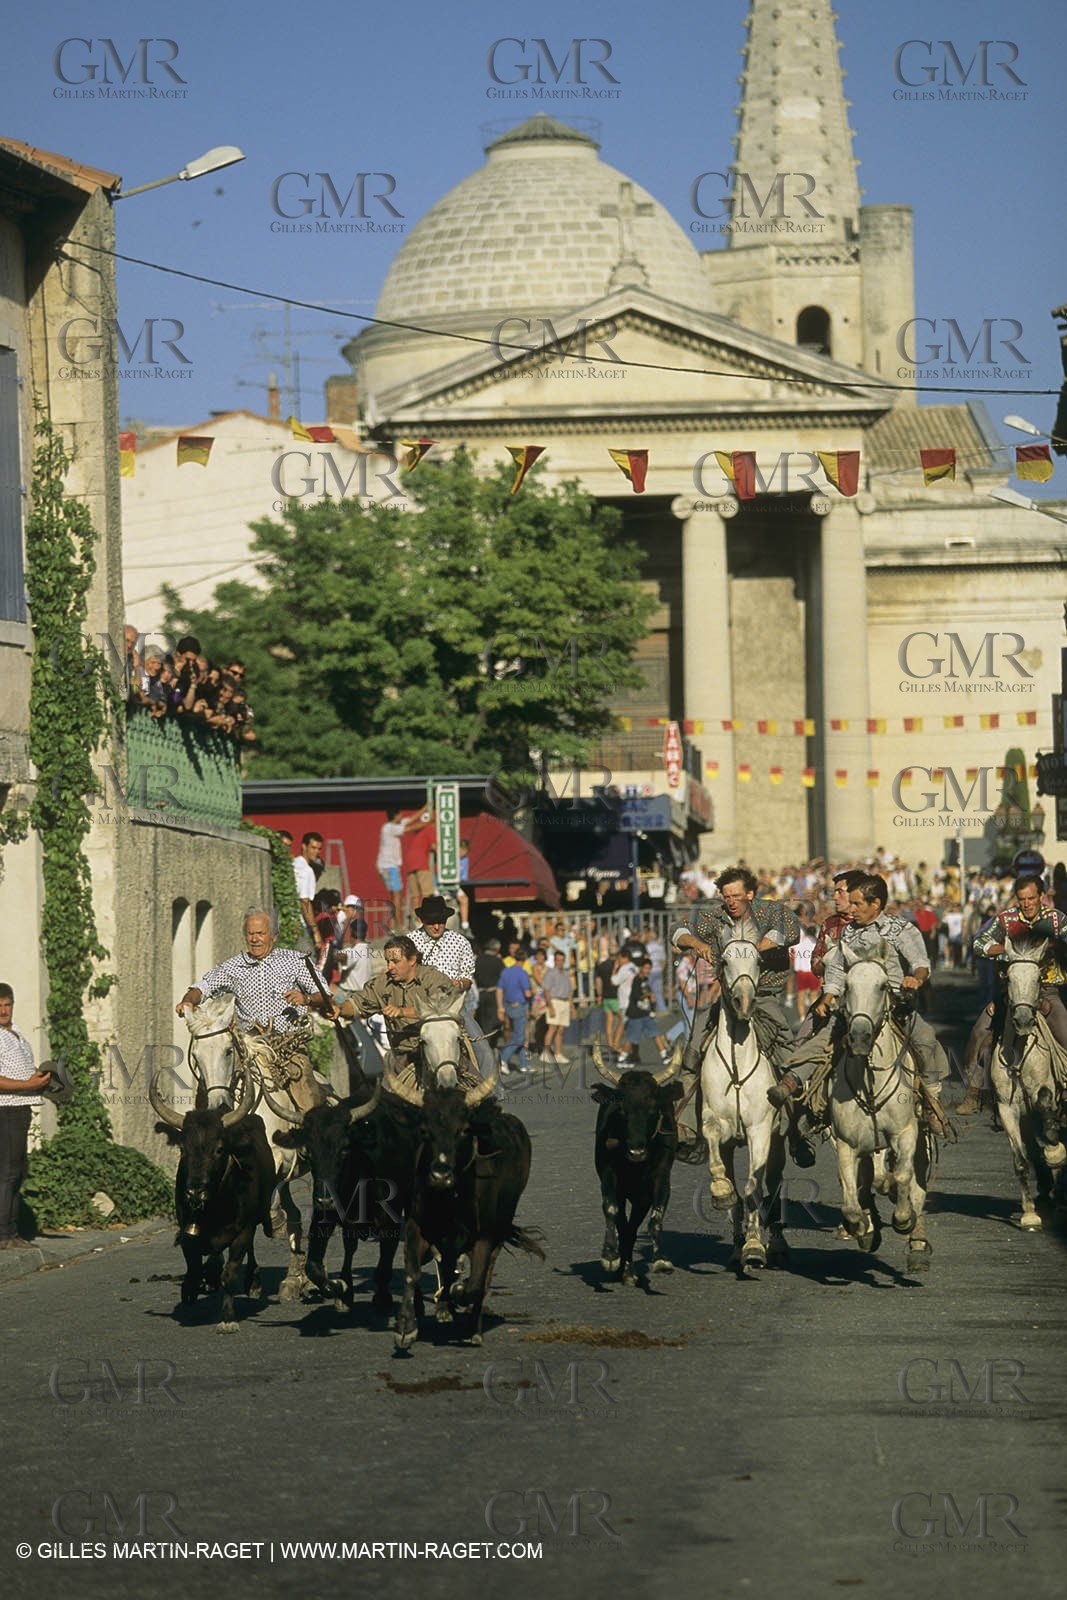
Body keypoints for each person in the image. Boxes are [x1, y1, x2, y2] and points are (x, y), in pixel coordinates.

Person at [775, 874, 949, 1117]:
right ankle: (792, 1081)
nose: (852, 909)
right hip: (853, 1006)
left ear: (875, 903)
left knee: (925, 1038)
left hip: (893, 1005)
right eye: (852, 903)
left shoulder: (900, 929)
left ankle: (932, 1102)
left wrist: (916, 979)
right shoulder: (848, 932)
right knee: (824, 1037)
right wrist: (827, 998)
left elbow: (920, 962)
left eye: (857, 904)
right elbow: (837, 969)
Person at [671, 867, 800, 1152]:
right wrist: (696, 943)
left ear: (750, 894)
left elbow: (790, 931)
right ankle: (687, 1122)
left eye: (737, 896)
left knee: (787, 1049)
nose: (731, 901)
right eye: (726, 896)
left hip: (763, 995)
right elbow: (677, 929)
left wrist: (751, 948)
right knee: (693, 1048)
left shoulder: (771, 912)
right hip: (726, 997)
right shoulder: (713, 918)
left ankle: (798, 1126)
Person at [958, 874, 1067, 1113]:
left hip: (1046, 989)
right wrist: (1005, 949)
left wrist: (1054, 944)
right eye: (1021, 899)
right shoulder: (1005, 920)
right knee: (979, 1032)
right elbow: (978, 943)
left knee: (1065, 1032)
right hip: (1011, 991)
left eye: (1031, 898)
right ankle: (974, 1091)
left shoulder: (1056, 920)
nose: (1026, 904)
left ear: (1041, 896)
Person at [330, 936, 475, 1090]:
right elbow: (356, 1004)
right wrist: (339, 1009)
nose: (390, 967)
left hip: (443, 1054)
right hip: (404, 1058)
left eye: (396, 962)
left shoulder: (435, 979)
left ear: (412, 960)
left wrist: (403, 1012)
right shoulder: (381, 984)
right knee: (386, 1099)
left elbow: (441, 1010)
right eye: (388, 962)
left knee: (478, 1091)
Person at [409, 895, 493, 1076]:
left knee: (484, 1051)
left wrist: (460, 984)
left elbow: (467, 977)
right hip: (420, 1009)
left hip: (453, 1008)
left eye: (440, 921)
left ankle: (489, 1090)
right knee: (399, 1055)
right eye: (431, 922)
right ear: (422, 920)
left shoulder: (460, 942)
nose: (436, 926)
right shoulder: (410, 943)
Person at [0, 984, 52, 1248]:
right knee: (8, 1172)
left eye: (7, 1004)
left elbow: (21, 1070)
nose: (3, 1010)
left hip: (22, 1108)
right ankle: (4, 1235)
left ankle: (12, 1232)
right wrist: (28, 1085)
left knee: (17, 1171)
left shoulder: (17, 1033)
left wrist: (40, 1079)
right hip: (6, 1108)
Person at [376, 807, 427, 929]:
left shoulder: (393, 826)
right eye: (400, 815)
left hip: (386, 866)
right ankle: (398, 925)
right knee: (397, 896)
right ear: (396, 815)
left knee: (395, 896)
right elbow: (410, 828)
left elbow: (411, 820)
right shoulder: (389, 828)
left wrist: (425, 807)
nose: (402, 816)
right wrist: (428, 823)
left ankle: (394, 924)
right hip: (389, 866)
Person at [624, 957, 670, 1067]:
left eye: (649, 968)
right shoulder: (637, 980)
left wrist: (651, 1001)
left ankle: (664, 1056)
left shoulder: (646, 980)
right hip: (636, 1014)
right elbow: (636, 996)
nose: (648, 970)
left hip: (645, 1013)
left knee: (656, 1033)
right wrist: (648, 995)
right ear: (641, 968)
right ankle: (622, 1058)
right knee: (632, 1038)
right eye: (646, 968)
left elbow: (647, 995)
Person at [496, 957, 533, 1075]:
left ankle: (524, 1065)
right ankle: (503, 1058)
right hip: (520, 1006)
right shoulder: (523, 973)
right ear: (524, 960)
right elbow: (527, 993)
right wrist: (533, 994)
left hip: (508, 1006)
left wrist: (500, 1007)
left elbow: (499, 990)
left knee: (519, 1034)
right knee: (519, 1037)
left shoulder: (506, 972)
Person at [541, 950, 574, 1066]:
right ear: (554, 961)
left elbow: (569, 992)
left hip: (565, 1002)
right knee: (552, 1028)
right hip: (554, 1001)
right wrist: (551, 1007)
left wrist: (572, 1007)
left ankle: (557, 1053)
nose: (560, 962)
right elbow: (546, 991)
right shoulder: (550, 973)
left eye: (562, 960)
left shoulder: (566, 973)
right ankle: (545, 1053)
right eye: (558, 960)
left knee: (561, 1030)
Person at [294, 832, 323, 937]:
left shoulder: (294, 863)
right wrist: (316, 931)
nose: (316, 852)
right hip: (299, 924)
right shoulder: (307, 870)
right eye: (313, 848)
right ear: (304, 846)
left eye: (319, 849)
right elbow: (305, 902)